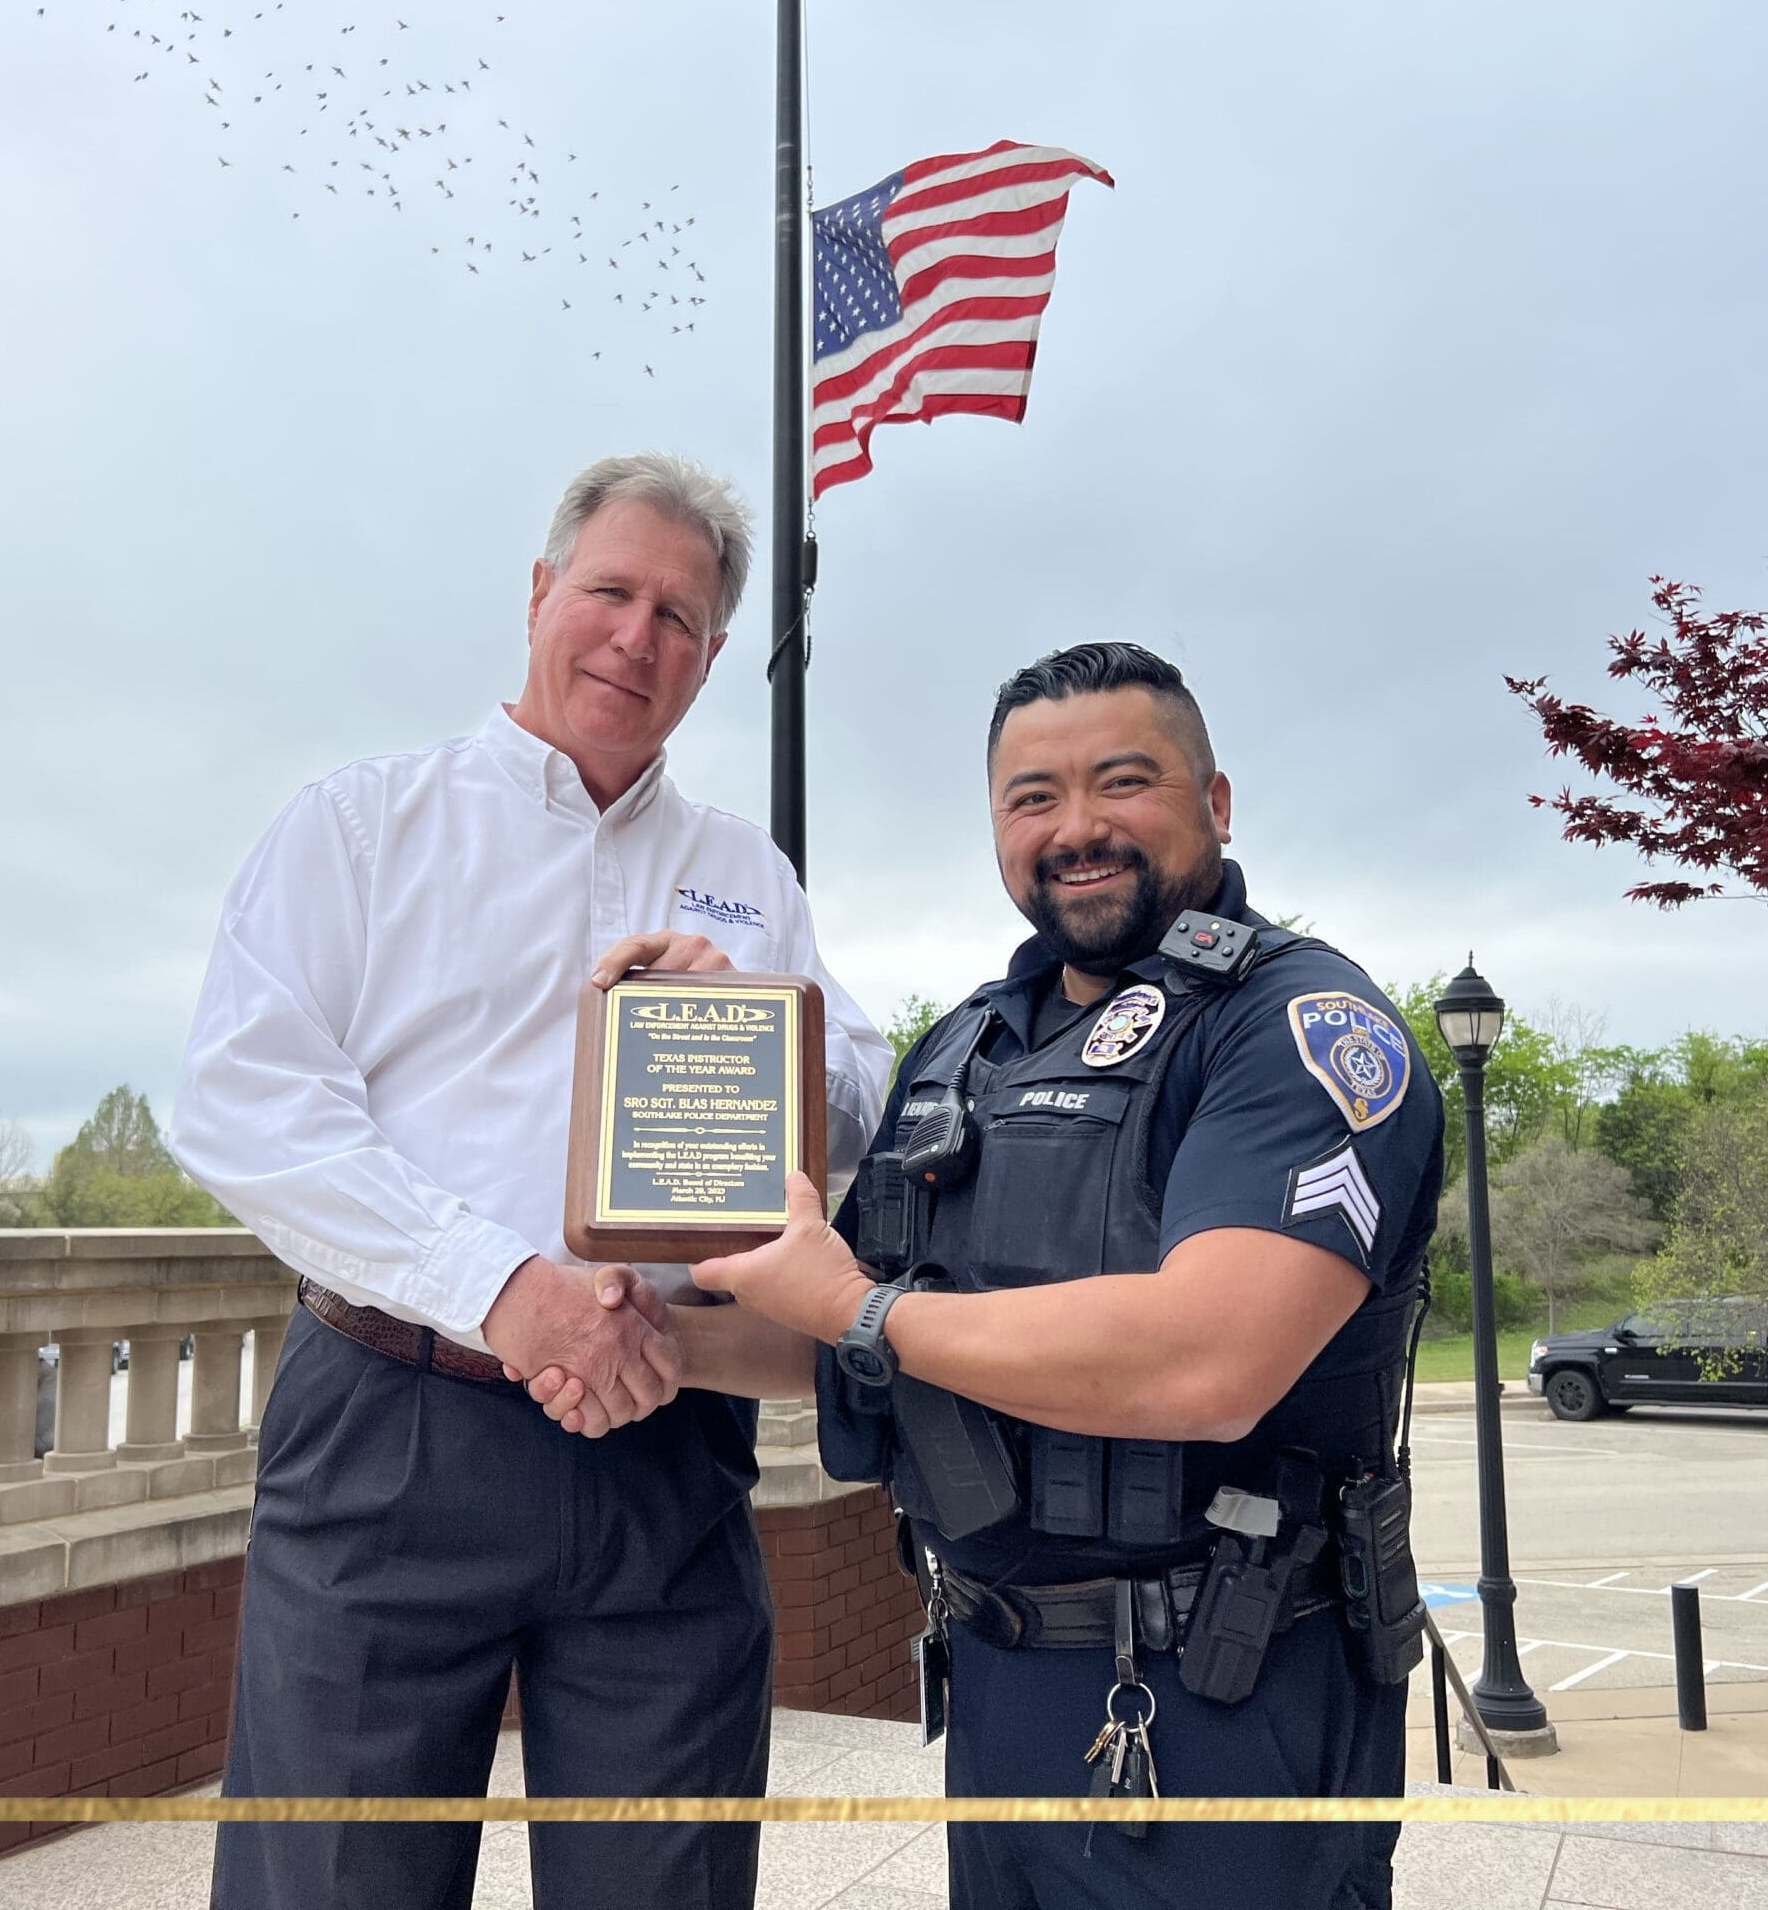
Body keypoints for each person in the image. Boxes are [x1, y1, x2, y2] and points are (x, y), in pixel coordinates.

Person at [531, 641, 1442, 1909]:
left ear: (1216, 802)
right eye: (1032, 798)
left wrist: (856, 1305)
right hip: (1001, 1683)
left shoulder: (1293, 1028)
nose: (1076, 829)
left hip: (1232, 1695)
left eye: (1123, 782)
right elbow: (846, 1332)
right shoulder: (967, 1049)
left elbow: (1211, 1360)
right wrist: (653, 1340)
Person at [171, 452, 894, 1910]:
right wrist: (504, 1289)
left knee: (667, 1884)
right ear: (539, 592)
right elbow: (246, 1102)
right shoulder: (364, 825)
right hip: (394, 1426)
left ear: (712, 659)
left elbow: (864, 1107)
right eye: (611, 591)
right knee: (332, 1886)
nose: (637, 636)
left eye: (679, 617)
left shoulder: (747, 875)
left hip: (666, 1443)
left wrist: (757, 1029)